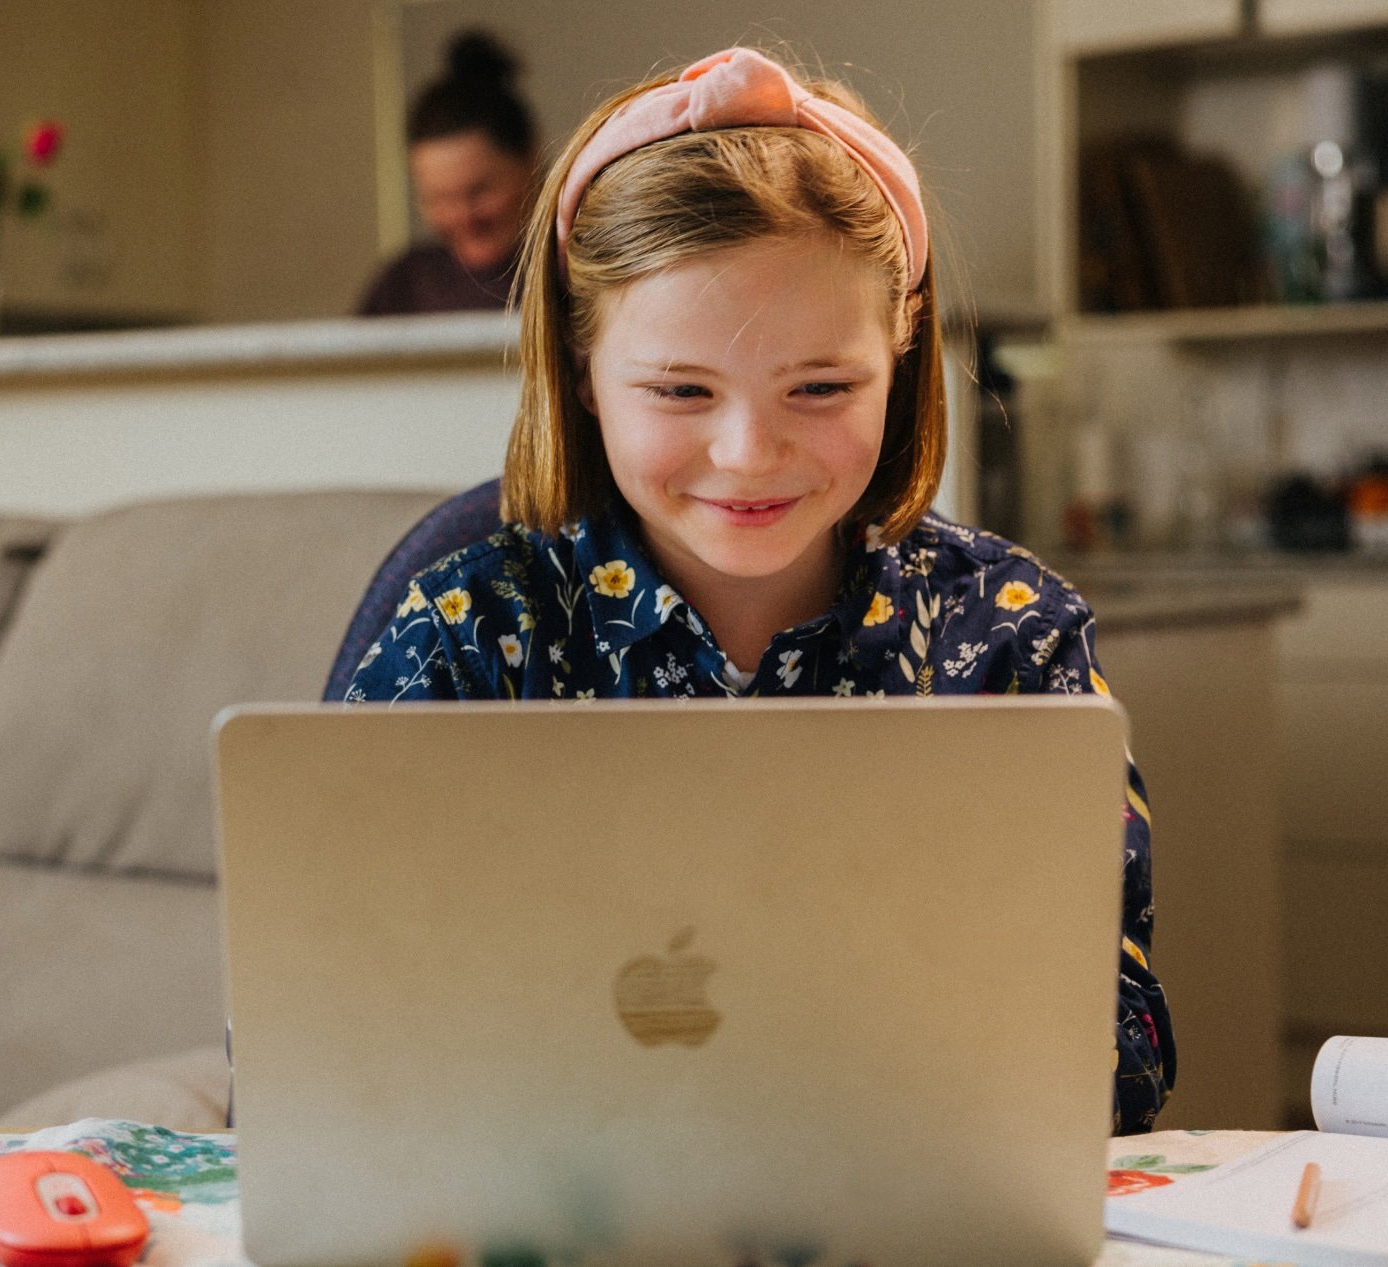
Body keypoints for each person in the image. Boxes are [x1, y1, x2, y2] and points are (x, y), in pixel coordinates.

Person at [339, 46, 1174, 1133]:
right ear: (582, 370)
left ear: (900, 351)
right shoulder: (469, 632)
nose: (747, 455)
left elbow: (1123, 1056)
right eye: (681, 391)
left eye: (820, 387)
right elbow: (310, 1033)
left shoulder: (1012, 637)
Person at [358, 31, 539, 316]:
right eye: (439, 199)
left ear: (530, 162)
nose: (462, 217)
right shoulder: (402, 288)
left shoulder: (578, 269)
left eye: (479, 191)